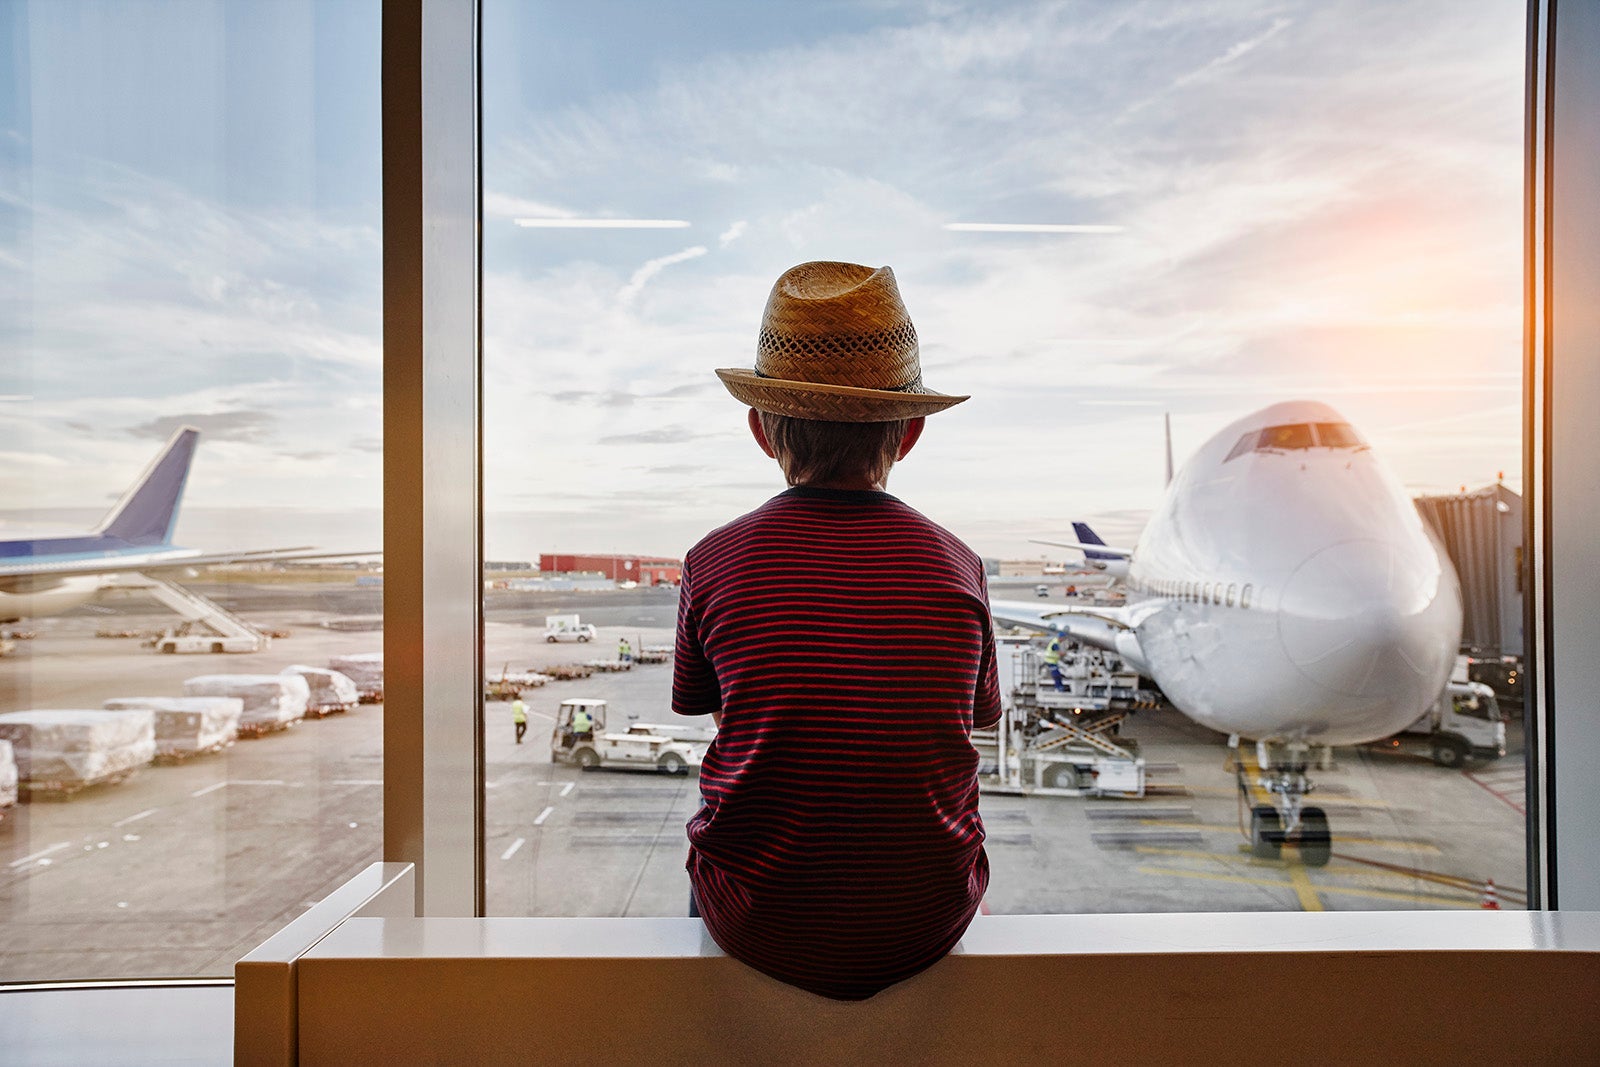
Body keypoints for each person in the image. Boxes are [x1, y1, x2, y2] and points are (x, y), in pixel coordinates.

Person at [673, 260, 1002, 1002]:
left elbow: (740, 726)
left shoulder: (711, 560)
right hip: (928, 917)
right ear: (910, 432)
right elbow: (968, 724)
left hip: (756, 920)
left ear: (761, 430)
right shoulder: (962, 565)